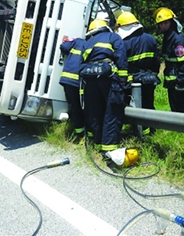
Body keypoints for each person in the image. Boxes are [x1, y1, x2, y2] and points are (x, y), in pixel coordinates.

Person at [80, 19, 128, 156]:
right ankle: (109, 149)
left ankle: (97, 143)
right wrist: (123, 79)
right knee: (112, 112)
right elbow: (121, 57)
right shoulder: (113, 37)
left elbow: (82, 62)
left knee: (95, 112)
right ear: (106, 28)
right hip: (108, 78)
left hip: (90, 80)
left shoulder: (87, 42)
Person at [115, 11, 160, 137]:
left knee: (132, 106)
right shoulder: (150, 38)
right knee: (149, 104)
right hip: (150, 79)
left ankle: (138, 132)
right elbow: (156, 61)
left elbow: (122, 64)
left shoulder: (124, 43)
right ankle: (151, 130)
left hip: (133, 80)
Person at [153, 7, 184, 113]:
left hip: (179, 82)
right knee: (175, 109)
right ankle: (178, 129)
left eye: (165, 23)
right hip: (172, 82)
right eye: (161, 24)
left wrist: (180, 82)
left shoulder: (178, 39)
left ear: (172, 22)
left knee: (180, 109)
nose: (163, 26)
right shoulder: (167, 38)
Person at [59, 35, 86, 142]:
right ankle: (82, 134)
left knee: (74, 106)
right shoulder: (91, 44)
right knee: (80, 107)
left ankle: (79, 133)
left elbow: (64, 47)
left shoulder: (77, 41)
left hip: (66, 79)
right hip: (77, 82)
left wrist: (65, 40)